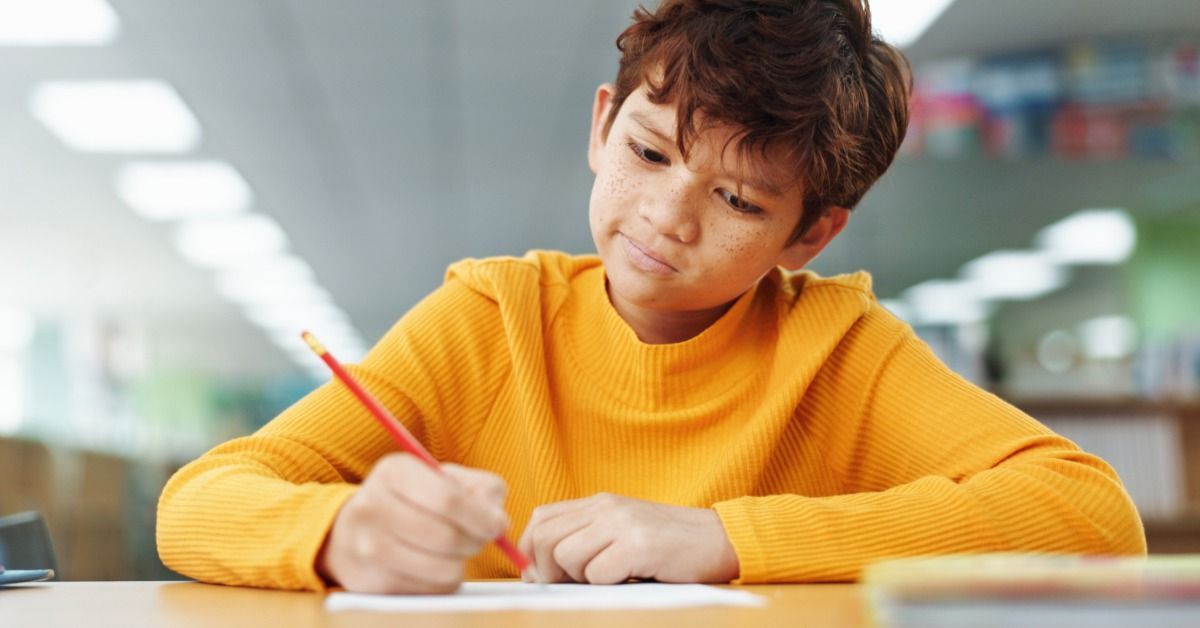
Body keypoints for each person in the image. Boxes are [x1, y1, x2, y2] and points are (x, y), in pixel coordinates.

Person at [156, 0, 1146, 594]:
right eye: (647, 151)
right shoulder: (490, 320)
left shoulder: (841, 349)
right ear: (602, 126)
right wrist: (338, 538)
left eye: (737, 199)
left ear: (807, 235)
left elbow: (1092, 515)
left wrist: (729, 537)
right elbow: (199, 503)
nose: (667, 217)